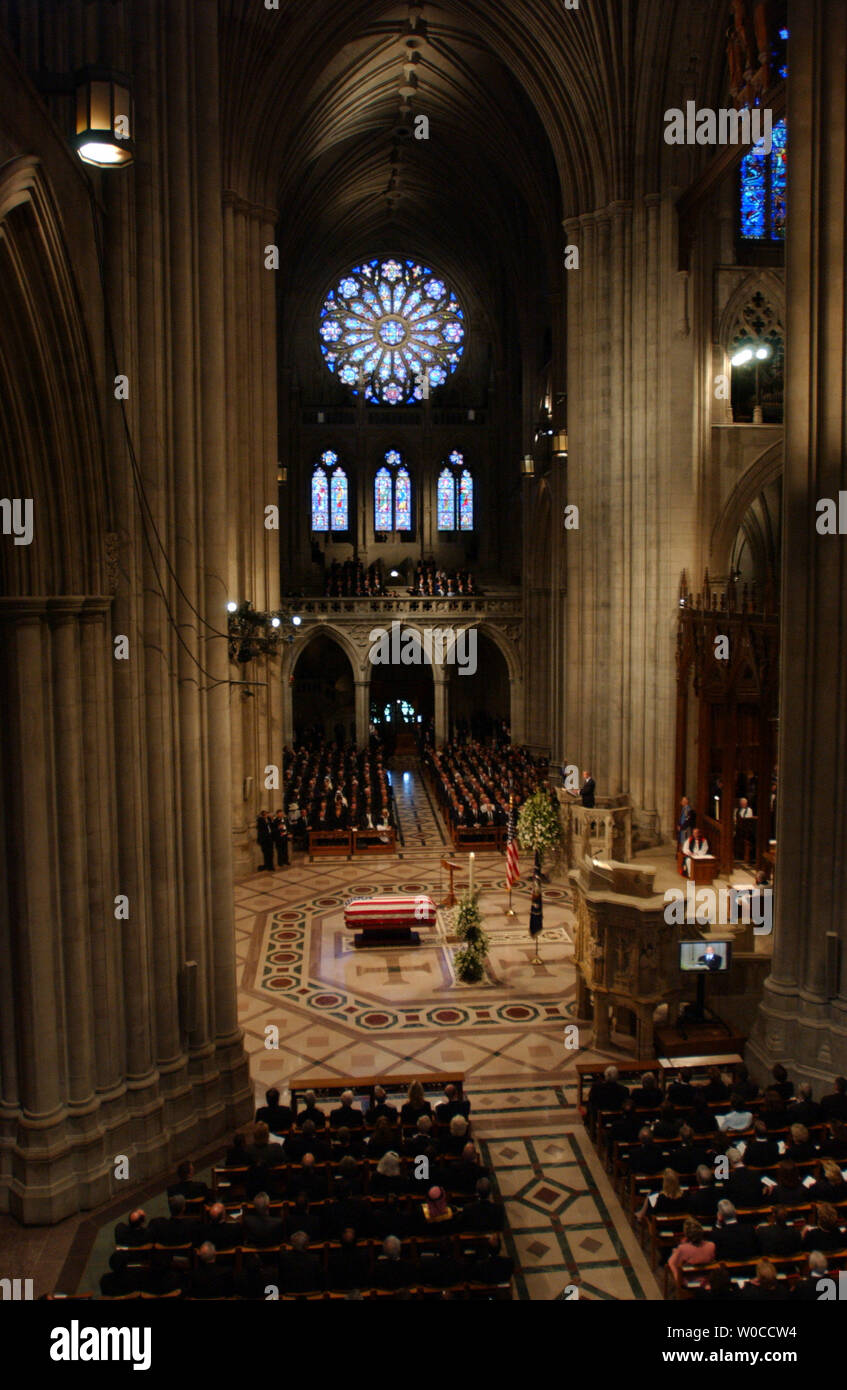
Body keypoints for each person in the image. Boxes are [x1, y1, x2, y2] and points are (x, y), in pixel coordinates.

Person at [667, 1220, 716, 1286]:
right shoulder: (711, 1245)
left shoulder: (682, 1248)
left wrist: (676, 1253)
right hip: (707, 1280)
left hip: (690, 1282)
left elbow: (671, 1263)